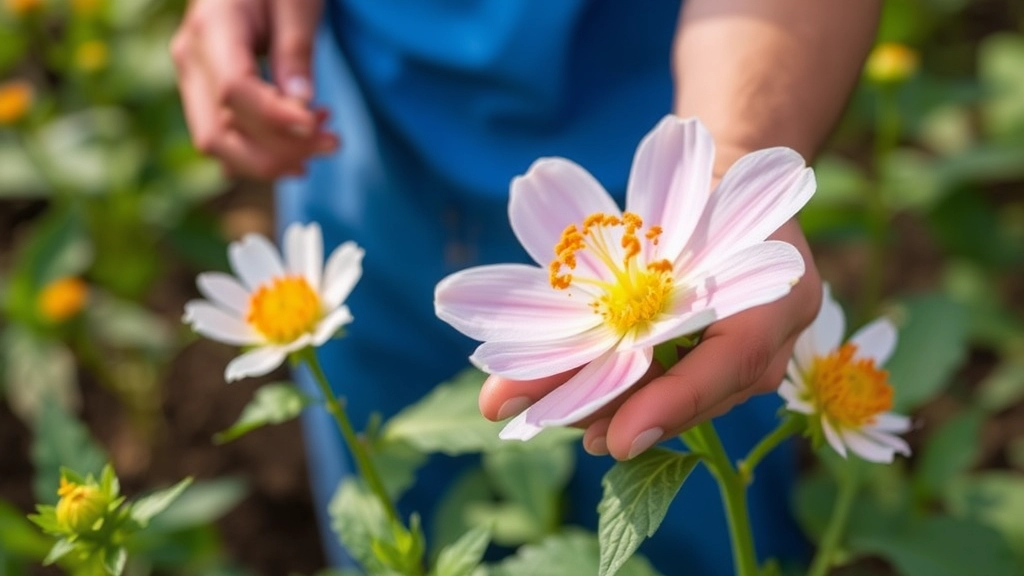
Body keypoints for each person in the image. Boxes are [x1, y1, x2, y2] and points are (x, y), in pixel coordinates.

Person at [170, 1, 881, 573]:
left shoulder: (683, 222)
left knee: (704, 539)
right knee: (391, 507)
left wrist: (730, 162)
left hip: (684, 111)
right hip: (364, 136)